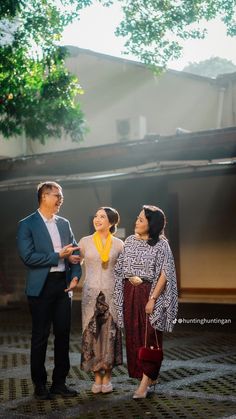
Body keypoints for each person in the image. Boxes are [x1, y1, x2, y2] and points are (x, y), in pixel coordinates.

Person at [17, 181, 81, 400]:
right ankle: (40, 385)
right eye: (57, 195)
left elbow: (75, 253)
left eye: (61, 195)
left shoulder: (64, 223)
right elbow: (28, 257)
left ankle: (60, 383)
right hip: (41, 287)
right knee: (40, 336)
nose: (60, 199)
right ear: (44, 196)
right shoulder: (27, 224)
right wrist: (58, 256)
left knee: (63, 335)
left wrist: (75, 275)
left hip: (63, 286)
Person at [114, 205, 178, 399]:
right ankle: (146, 375)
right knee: (133, 335)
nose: (137, 222)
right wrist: (129, 277)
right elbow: (120, 266)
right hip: (129, 292)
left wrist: (152, 299)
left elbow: (165, 273)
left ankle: (145, 381)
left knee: (150, 336)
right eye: (137, 218)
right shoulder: (130, 241)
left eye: (141, 220)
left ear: (152, 224)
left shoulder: (161, 244)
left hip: (149, 293)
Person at [79, 207, 124, 394]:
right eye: (96, 216)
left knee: (110, 336)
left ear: (111, 222)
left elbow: (124, 270)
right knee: (93, 336)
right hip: (91, 297)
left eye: (102, 217)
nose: (97, 219)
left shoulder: (119, 244)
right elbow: (75, 262)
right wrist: (73, 278)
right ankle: (97, 378)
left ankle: (108, 378)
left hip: (111, 295)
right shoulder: (85, 242)